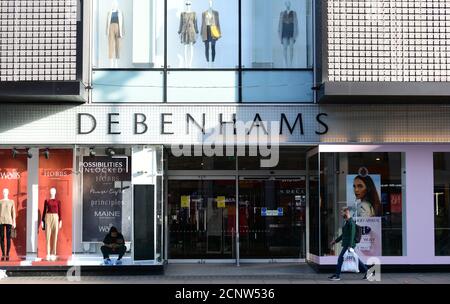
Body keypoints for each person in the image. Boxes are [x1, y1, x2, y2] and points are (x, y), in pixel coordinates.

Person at [328, 207, 372, 281]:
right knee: (356, 259)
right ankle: (368, 272)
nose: (341, 214)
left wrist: (350, 246)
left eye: (342, 212)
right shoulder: (347, 222)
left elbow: (352, 235)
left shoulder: (351, 222)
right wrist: (335, 241)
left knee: (340, 259)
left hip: (349, 244)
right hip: (347, 244)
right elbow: (343, 235)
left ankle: (337, 275)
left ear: (346, 212)